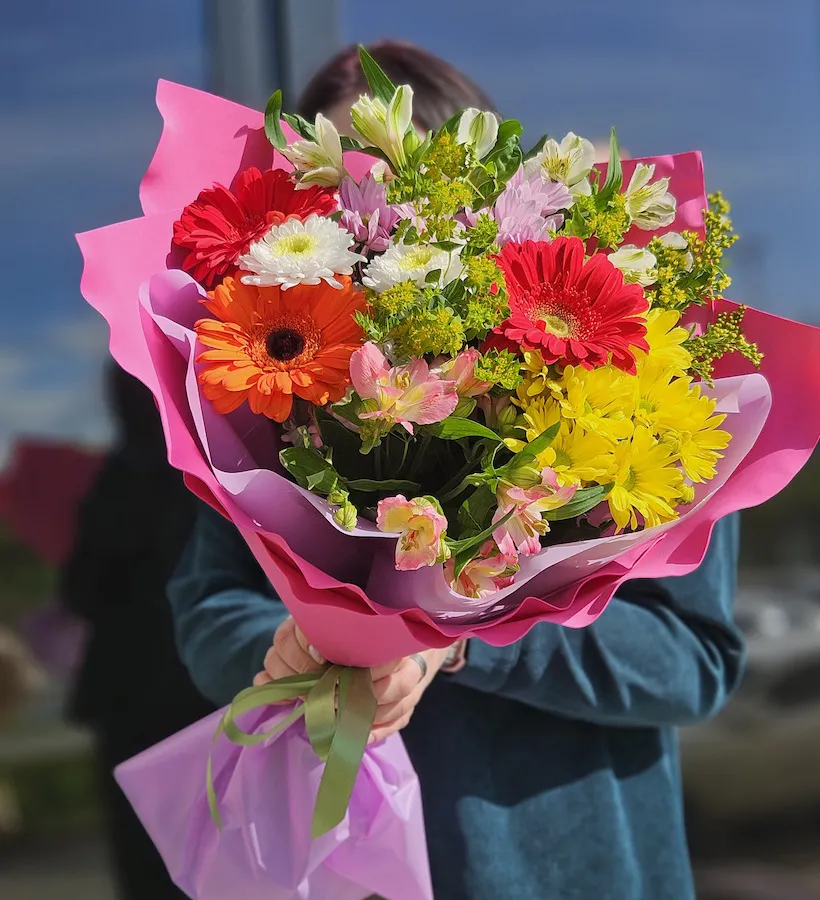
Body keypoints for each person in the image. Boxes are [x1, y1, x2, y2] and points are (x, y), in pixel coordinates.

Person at [168, 41, 745, 900]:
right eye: (329, 193)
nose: (357, 212)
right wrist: (294, 650)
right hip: (351, 869)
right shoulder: (270, 397)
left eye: (382, 175)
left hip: (573, 869)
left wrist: (460, 640)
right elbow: (210, 606)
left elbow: (692, 661)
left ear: (467, 186)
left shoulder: (630, 388)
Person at [61, 364, 216, 900]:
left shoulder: (112, 482)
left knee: (146, 860)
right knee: (220, 853)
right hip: (208, 689)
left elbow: (78, 592)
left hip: (129, 691)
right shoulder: (208, 469)